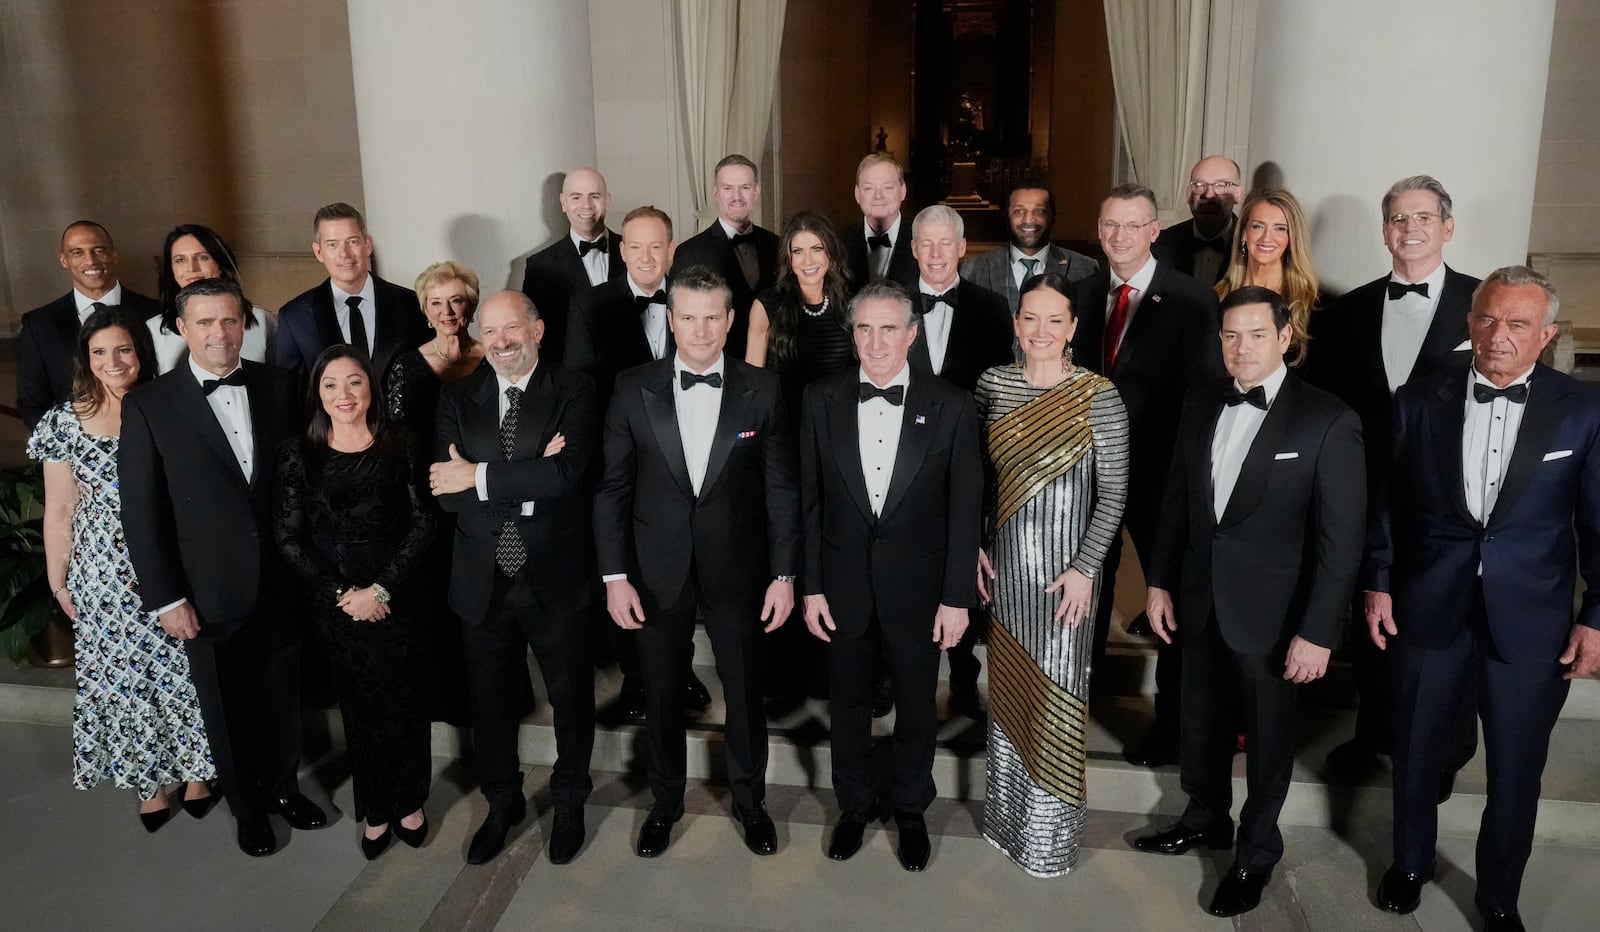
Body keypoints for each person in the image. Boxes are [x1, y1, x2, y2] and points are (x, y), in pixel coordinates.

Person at [1366, 267, 1600, 932]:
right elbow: (1387, 505)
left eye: (1519, 324)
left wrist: (1596, 619)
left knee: (1516, 768)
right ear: (1470, 324)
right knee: (1413, 748)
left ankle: (1499, 891)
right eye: (1488, 320)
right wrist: (1377, 580)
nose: (1500, 336)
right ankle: (1410, 864)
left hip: (1531, 621)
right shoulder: (1417, 399)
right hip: (1427, 604)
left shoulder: (1583, 411)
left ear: (1546, 334)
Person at [1134, 286, 1364, 918]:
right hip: (1199, 599)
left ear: (1285, 337)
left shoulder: (1329, 419)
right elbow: (1177, 502)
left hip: (1277, 618)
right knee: (1200, 722)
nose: (1240, 348)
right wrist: (1158, 581)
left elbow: (1340, 543)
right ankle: (1204, 818)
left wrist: (1318, 631)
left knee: (1266, 742)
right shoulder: (1201, 401)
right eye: (1230, 335)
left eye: (1256, 335)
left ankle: (1256, 851)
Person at [594, 267, 799, 859]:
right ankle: (665, 802)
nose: (701, 329)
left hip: (739, 569)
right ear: (671, 320)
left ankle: (750, 800)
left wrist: (784, 575)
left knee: (742, 690)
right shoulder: (632, 386)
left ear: (731, 321)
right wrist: (614, 577)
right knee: (659, 693)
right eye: (688, 316)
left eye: (713, 316)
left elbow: (781, 490)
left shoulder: (762, 389)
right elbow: (611, 490)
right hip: (654, 572)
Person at [119, 277, 321, 858]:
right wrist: (166, 597)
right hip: (204, 589)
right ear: (182, 329)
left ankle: (284, 790)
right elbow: (142, 510)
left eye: (230, 320)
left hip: (281, 579)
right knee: (225, 706)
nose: (219, 333)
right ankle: (247, 807)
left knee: (281, 693)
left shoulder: (281, 386)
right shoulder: (149, 404)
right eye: (205, 322)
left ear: (245, 324)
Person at [799, 282, 983, 872]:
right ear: (851, 336)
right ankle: (853, 807)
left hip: (921, 592)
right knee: (848, 706)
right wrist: (810, 585)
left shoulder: (953, 405)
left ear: (911, 333)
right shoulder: (818, 399)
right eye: (863, 329)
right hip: (842, 584)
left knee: (916, 707)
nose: (875, 343)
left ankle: (910, 810)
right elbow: (808, 504)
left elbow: (965, 510)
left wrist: (957, 598)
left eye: (888, 329)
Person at [1306, 175, 1481, 784]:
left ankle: (1442, 750)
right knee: (1372, 615)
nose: (1410, 229)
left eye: (1423, 218)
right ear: (1385, 231)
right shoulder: (1349, 309)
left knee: (1447, 623)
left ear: (1447, 227)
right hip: (1365, 492)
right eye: (1399, 219)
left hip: (1454, 499)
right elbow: (1326, 405)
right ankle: (1373, 732)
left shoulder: (1483, 303)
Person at [28, 305, 216, 831]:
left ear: (142, 351)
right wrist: (57, 578)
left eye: (124, 349)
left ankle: (200, 772)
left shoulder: (170, 404)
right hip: (103, 574)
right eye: (99, 352)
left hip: (173, 562)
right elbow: (60, 507)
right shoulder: (63, 421)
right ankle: (148, 782)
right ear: (85, 359)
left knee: (184, 673)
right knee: (125, 683)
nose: (113, 362)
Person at [429, 291, 599, 866]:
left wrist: (476, 475)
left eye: (513, 329)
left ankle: (571, 799)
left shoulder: (573, 389)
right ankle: (501, 803)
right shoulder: (458, 397)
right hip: (482, 581)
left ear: (538, 328)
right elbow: (444, 496)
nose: (502, 341)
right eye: (492, 331)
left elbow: (567, 475)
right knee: (491, 704)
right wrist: (527, 471)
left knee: (571, 699)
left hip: (556, 575)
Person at [973, 274, 1129, 876]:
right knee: (1010, 695)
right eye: (1030, 318)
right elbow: (979, 478)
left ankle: (1049, 842)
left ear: (1073, 328)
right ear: (1016, 323)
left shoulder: (1099, 395)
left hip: (1067, 581)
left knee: (1058, 699)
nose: (1041, 331)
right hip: (1008, 572)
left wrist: (1087, 570)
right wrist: (977, 545)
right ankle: (1007, 824)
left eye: (1054, 320)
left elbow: (1114, 493)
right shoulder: (992, 384)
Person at [1071, 183, 1224, 767]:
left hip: (1161, 475)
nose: (1119, 236)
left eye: (1132, 226)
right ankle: (1072, 707)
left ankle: (1173, 725)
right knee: (1084, 591)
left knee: (1170, 601)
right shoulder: (1080, 293)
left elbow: (1205, 393)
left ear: (1155, 230)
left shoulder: (1192, 299)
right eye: (1110, 224)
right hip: (1088, 474)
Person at [275, 346, 435, 860]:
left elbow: (423, 521)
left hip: (398, 598)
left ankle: (410, 800)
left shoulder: (403, 443)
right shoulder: (297, 453)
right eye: (331, 385)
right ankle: (376, 807)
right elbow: (289, 537)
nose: (343, 395)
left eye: (354, 383)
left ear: (372, 390)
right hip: (337, 608)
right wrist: (345, 595)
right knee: (360, 708)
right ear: (317, 394)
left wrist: (381, 588)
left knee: (405, 703)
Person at [564, 205, 714, 717]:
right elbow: (581, 387)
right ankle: (635, 676)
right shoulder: (590, 305)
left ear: (671, 251)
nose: (646, 256)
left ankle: (680, 668)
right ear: (621, 250)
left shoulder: (696, 303)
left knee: (681, 572)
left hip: (688, 459)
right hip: (620, 459)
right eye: (636, 246)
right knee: (627, 566)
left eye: (657, 246)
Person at [907, 204, 1013, 719]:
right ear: (912, 250)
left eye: (943, 243)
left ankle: (966, 672)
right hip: (903, 463)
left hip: (971, 456)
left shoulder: (992, 307)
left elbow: (998, 390)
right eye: (925, 244)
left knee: (968, 565)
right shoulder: (892, 303)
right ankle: (908, 673)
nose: (934, 254)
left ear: (961, 248)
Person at [745, 210, 856, 704]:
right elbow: (749, 385)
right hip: (783, 445)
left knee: (833, 552)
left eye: (817, 249)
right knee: (785, 549)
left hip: (839, 447)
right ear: (786, 258)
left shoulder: (853, 305)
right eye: (798, 250)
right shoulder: (767, 306)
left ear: (830, 253)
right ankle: (783, 676)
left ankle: (834, 669)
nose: (808, 259)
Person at [384, 260, 494, 726]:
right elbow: (391, 442)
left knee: (484, 602)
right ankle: (447, 702)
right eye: (437, 303)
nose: (448, 310)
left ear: (470, 306)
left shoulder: (493, 355)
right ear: (424, 311)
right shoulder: (407, 366)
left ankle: (491, 694)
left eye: (457, 301)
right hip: (425, 502)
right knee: (437, 601)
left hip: (485, 496)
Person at [17, 220, 161, 428]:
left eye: (98, 250)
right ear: (64, 260)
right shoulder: (39, 325)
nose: (91, 260)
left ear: (113, 254)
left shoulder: (155, 312)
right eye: (77, 252)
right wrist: (70, 448)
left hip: (154, 443)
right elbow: (31, 403)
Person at [275, 202, 426, 382]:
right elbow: (290, 392)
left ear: (367, 245)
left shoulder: (410, 304)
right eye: (332, 245)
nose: (344, 254)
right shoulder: (295, 317)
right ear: (318, 252)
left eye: (352, 242)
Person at [670, 154, 780, 359]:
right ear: (715, 193)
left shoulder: (779, 245)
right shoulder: (690, 252)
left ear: (757, 192)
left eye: (745, 188)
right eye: (728, 188)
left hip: (774, 367)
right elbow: (679, 322)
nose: (736, 196)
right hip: (719, 367)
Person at [522, 167, 625, 366]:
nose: (586, 206)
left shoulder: (635, 252)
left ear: (607, 200)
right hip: (573, 382)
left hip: (633, 379)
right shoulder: (540, 267)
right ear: (563, 203)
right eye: (576, 197)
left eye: (594, 196)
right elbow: (537, 338)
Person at [1214, 188, 1321, 366]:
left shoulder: (1311, 303)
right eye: (1258, 226)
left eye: (1280, 229)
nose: (1266, 237)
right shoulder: (1217, 295)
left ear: (1292, 238)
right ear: (1243, 233)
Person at [148, 224, 276, 372]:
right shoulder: (153, 329)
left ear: (220, 263)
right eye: (180, 260)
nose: (192, 268)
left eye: (202, 257)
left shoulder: (262, 321)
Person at [961, 181, 1099, 312]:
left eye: (1039, 211)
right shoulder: (975, 268)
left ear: (1053, 217)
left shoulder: (1085, 268)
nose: (1028, 220)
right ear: (1007, 217)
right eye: (1019, 211)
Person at [1153, 155, 1243, 286]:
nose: (1209, 194)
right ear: (1188, 194)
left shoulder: (1251, 246)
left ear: (1238, 194)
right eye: (1199, 185)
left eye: (1222, 185)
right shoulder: (1161, 243)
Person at [842, 153, 919, 290]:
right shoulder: (839, 242)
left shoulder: (922, 239)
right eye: (869, 188)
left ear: (903, 191)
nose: (878, 196)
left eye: (888, 187)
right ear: (857, 194)